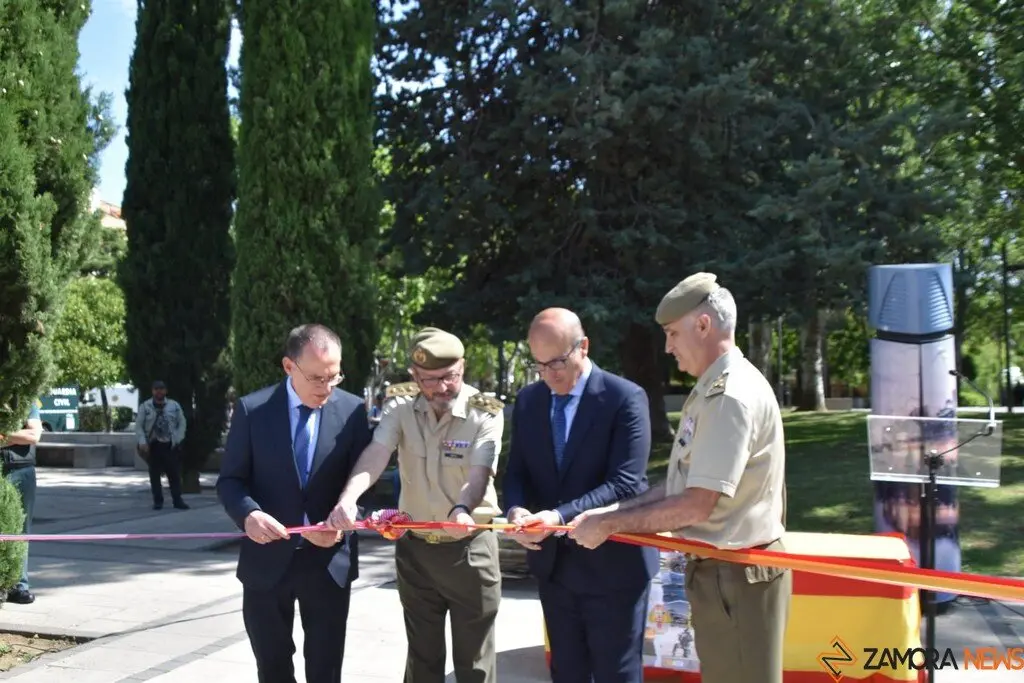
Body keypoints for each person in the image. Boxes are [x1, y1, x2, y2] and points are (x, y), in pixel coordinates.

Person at [568, 273, 792, 683]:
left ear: (703, 325)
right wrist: (608, 512)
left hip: (737, 574)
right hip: (724, 575)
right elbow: (680, 490)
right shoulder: (710, 390)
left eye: (672, 333)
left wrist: (609, 524)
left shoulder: (729, 395)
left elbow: (696, 504)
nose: (667, 347)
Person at [327, 326, 504, 683]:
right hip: (415, 554)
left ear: (463, 367)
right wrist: (348, 499)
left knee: (474, 664)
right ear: (414, 375)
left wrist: (462, 509)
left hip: (469, 551)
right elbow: (377, 453)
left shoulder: (484, 411)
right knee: (421, 660)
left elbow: (480, 471)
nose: (440, 388)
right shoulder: (401, 406)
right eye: (429, 379)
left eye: (449, 377)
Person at [502, 308, 659, 683]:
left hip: (614, 569)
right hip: (555, 569)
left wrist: (557, 516)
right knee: (566, 673)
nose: (549, 374)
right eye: (539, 365)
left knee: (614, 674)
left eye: (557, 361)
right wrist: (517, 509)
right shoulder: (529, 402)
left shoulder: (625, 398)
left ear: (583, 347)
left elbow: (625, 482)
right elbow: (517, 472)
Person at [216, 323, 372, 683]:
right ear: (289, 367)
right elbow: (230, 482)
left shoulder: (351, 411)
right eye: (317, 378)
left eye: (334, 376)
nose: (327, 388)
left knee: (326, 668)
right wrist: (249, 515)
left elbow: (364, 486)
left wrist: (345, 522)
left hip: (329, 563)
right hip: (266, 562)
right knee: (272, 668)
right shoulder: (253, 410)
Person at [0, 401, 43, 604]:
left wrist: (1, 435)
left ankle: (19, 585)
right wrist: (16, 434)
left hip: (22, 469)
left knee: (21, 531)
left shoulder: (26, 400)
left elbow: (33, 436)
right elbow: (24, 435)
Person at [135, 380, 189, 510]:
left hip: (170, 445)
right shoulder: (145, 407)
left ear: (166, 391)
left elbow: (182, 423)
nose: (159, 391)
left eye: (161, 389)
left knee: (174, 474)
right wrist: (142, 442)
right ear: (152, 391)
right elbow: (139, 426)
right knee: (154, 475)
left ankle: (177, 500)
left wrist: (178, 438)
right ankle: (158, 501)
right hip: (153, 445)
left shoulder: (174, 406)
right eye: (156, 389)